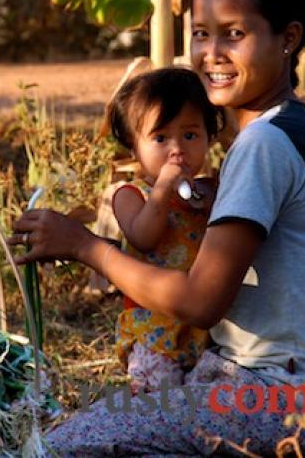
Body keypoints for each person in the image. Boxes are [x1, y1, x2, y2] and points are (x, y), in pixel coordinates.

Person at [9, 0, 305, 456]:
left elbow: (198, 302)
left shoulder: (264, 143)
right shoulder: (294, 125)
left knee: (54, 447)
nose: (212, 53)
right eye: (201, 33)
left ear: (288, 38)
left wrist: (86, 247)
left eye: (235, 33)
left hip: (291, 401)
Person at [102, 67, 221, 394]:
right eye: (160, 138)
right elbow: (143, 236)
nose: (177, 148)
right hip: (152, 332)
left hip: (203, 332)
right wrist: (163, 191)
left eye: (190, 135)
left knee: (200, 405)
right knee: (161, 403)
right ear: (133, 147)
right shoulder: (131, 195)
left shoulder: (213, 191)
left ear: (210, 137)